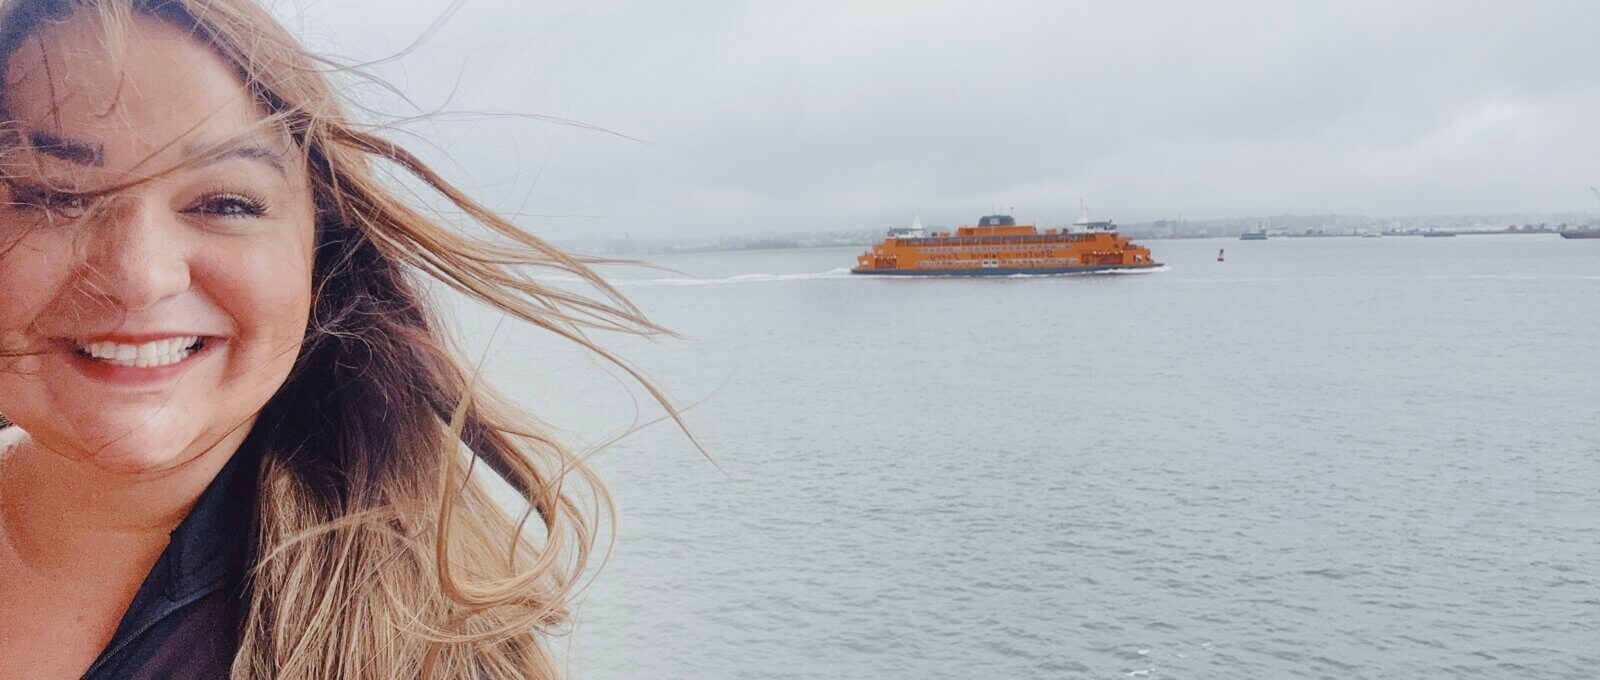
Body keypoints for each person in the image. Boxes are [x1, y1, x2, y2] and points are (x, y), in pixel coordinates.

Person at [0, 0, 662, 677]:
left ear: (323, 251)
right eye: (56, 197)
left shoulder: (425, 648)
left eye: (227, 203)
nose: (140, 277)